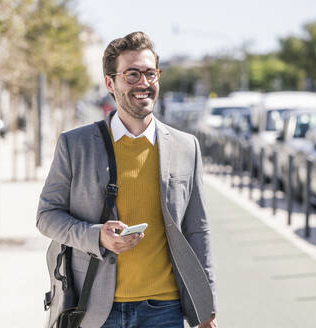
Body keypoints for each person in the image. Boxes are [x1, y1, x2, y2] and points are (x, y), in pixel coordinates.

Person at [37, 31, 217, 328]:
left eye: (150, 74)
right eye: (132, 75)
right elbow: (46, 216)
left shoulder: (187, 147)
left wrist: (206, 307)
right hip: (95, 310)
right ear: (111, 82)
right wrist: (97, 236)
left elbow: (198, 230)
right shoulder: (75, 145)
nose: (143, 83)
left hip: (164, 310)